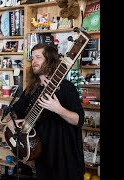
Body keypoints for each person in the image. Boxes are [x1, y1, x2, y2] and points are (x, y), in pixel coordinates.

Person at [5, 43, 85, 180]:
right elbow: (12, 112)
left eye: (38, 57)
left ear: (50, 60)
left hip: (66, 161)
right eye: (32, 59)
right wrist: (11, 123)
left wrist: (58, 109)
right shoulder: (32, 89)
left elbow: (79, 120)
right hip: (42, 159)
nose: (34, 61)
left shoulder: (66, 88)